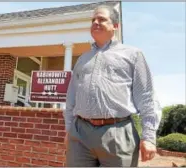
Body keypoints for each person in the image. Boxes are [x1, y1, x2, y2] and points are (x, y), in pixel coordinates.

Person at [63, 4, 162, 167]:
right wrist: (68, 130)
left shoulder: (133, 55)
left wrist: (149, 137)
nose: (95, 22)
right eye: (93, 20)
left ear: (115, 26)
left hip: (118, 133)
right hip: (79, 135)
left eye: (101, 19)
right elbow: (71, 98)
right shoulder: (82, 59)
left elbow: (147, 97)